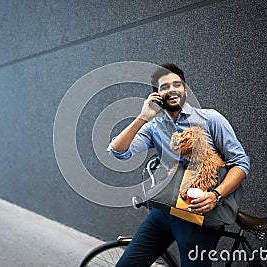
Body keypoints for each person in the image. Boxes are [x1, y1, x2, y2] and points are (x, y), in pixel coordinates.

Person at [107, 63, 250, 266]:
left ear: (184, 89)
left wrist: (215, 195)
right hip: (164, 212)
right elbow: (118, 151)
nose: (172, 89)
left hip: (200, 215)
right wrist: (142, 117)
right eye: (164, 87)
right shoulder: (154, 127)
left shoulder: (210, 119)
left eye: (177, 84)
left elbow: (241, 163)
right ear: (156, 94)